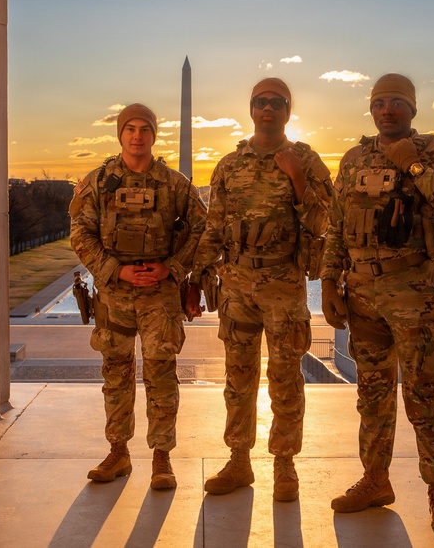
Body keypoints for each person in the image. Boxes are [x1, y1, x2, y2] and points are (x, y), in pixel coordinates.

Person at [320, 73, 434, 532]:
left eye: (396, 102)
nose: (386, 109)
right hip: (363, 295)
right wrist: (330, 281)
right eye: (379, 102)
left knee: (426, 393)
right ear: (371, 109)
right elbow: (336, 226)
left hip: (413, 290)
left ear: (412, 108)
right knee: (372, 395)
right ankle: (375, 480)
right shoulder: (354, 158)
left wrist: (414, 168)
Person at [191, 77, 333, 502]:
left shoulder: (305, 160)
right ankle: (238, 461)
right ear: (250, 109)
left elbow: (325, 221)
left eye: (276, 102)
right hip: (237, 285)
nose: (267, 109)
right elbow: (214, 227)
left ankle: (284, 464)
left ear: (289, 110)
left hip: (283, 284)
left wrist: (298, 180)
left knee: (286, 379)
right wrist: (193, 274)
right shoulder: (228, 165)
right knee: (238, 379)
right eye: (260, 102)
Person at [69, 103, 207, 491]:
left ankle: (161, 458)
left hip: (160, 294)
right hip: (114, 293)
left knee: (162, 374)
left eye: (145, 128)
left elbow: (202, 229)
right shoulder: (98, 181)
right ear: (120, 134)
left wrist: (173, 269)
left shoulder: (175, 184)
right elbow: (80, 232)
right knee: (116, 374)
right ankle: (118, 452)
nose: (137, 135)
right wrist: (115, 269)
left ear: (153, 134)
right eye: (130, 128)